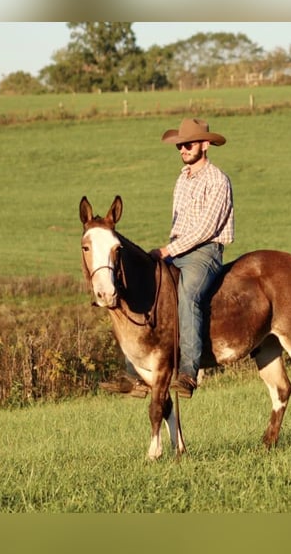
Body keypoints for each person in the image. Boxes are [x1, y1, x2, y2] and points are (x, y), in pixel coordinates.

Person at [99, 118, 234, 399]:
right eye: (180, 145)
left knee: (188, 295)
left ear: (205, 145)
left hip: (205, 252)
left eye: (189, 144)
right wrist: (168, 251)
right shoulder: (182, 180)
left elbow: (206, 229)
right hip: (177, 249)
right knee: (140, 289)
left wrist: (167, 251)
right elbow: (179, 224)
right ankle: (134, 374)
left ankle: (188, 372)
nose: (183, 149)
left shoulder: (217, 180)